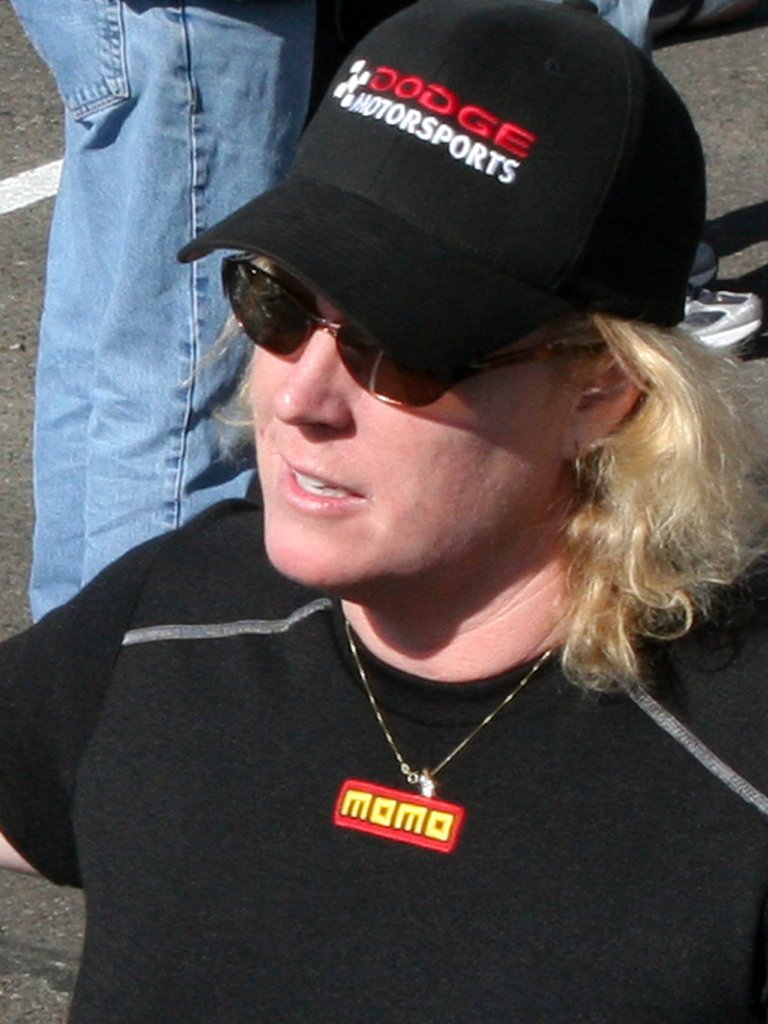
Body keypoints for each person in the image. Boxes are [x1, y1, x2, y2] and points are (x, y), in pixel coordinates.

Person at [2, 1, 768, 1019]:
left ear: (602, 391)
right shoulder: (176, 619)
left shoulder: (733, 771)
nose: (298, 398)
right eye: (277, 305)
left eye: (398, 347)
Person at [10, 0, 413, 623]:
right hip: (217, 14)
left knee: (103, 338)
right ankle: (153, 664)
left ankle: (74, 658)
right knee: (184, 386)